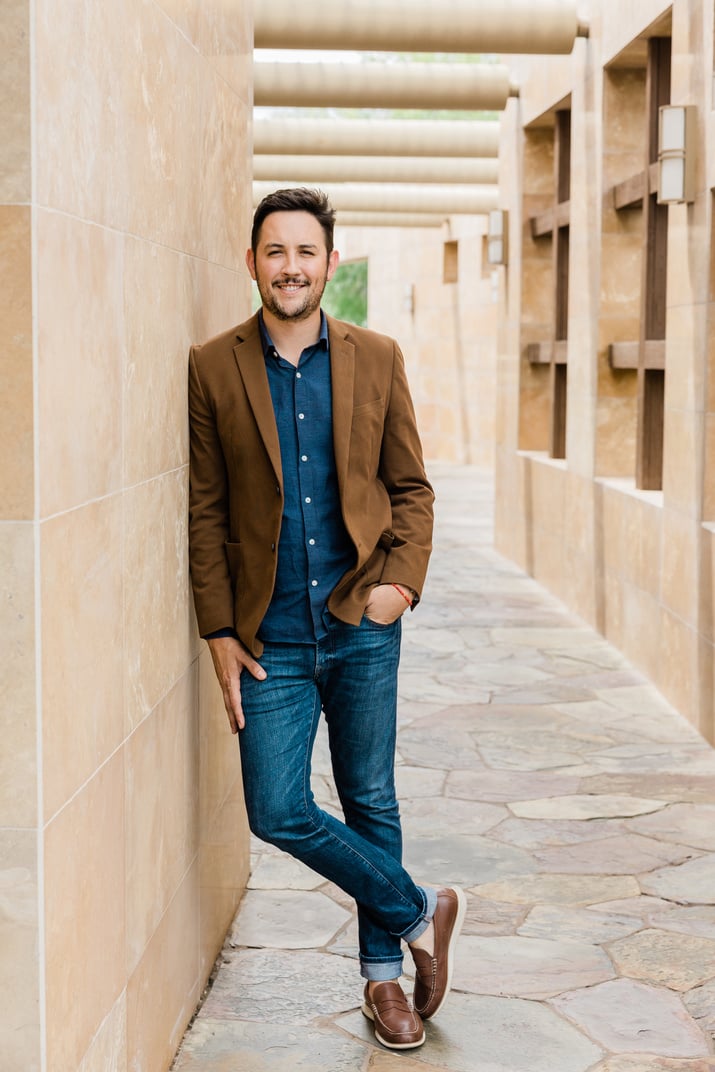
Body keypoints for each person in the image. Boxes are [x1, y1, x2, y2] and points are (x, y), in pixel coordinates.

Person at [188, 186, 465, 1051]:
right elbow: (204, 510)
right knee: (275, 807)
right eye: (275, 252)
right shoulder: (212, 365)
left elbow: (410, 489)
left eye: (306, 252)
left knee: (369, 796)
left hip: (360, 620)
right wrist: (218, 630)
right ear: (252, 262)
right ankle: (417, 909)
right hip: (268, 637)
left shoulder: (375, 357)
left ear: (329, 264)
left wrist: (399, 588)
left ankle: (383, 983)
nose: (291, 267)